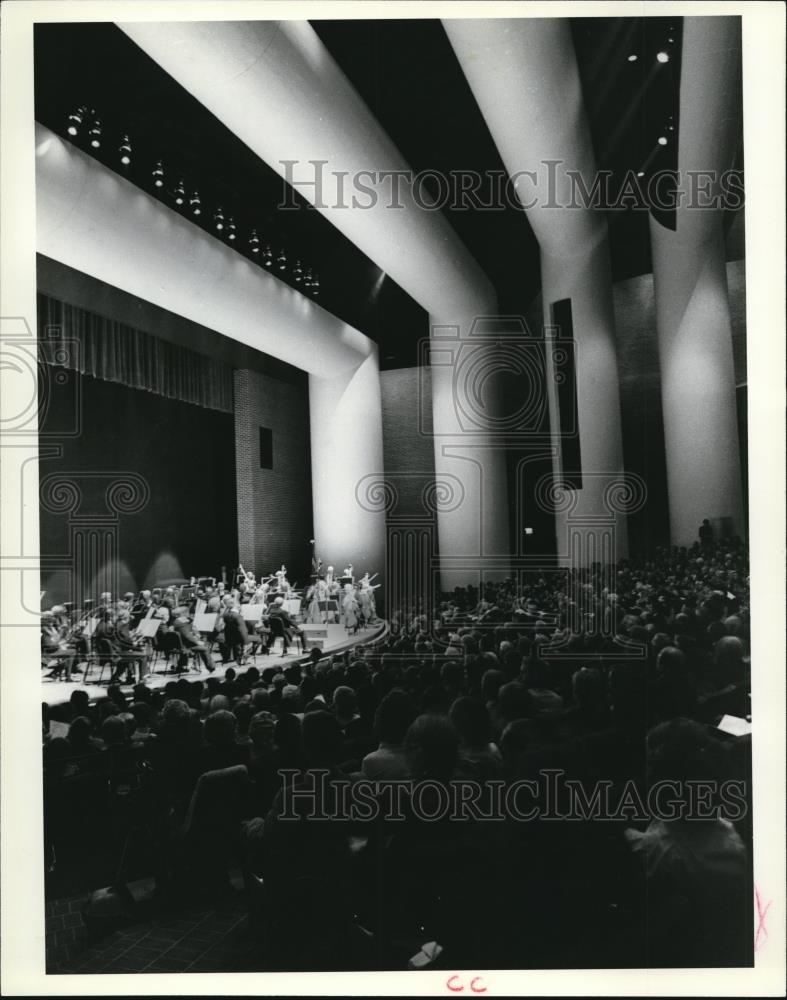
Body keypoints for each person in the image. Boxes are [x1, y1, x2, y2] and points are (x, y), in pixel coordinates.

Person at [172, 607, 215, 673]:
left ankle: (182, 666)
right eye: (187, 613)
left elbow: (193, 629)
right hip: (186, 646)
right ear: (182, 614)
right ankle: (211, 668)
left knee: (202, 643)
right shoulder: (180, 623)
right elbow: (187, 636)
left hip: (183, 644)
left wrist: (196, 633)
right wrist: (197, 642)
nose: (188, 614)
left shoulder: (179, 621)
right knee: (204, 648)